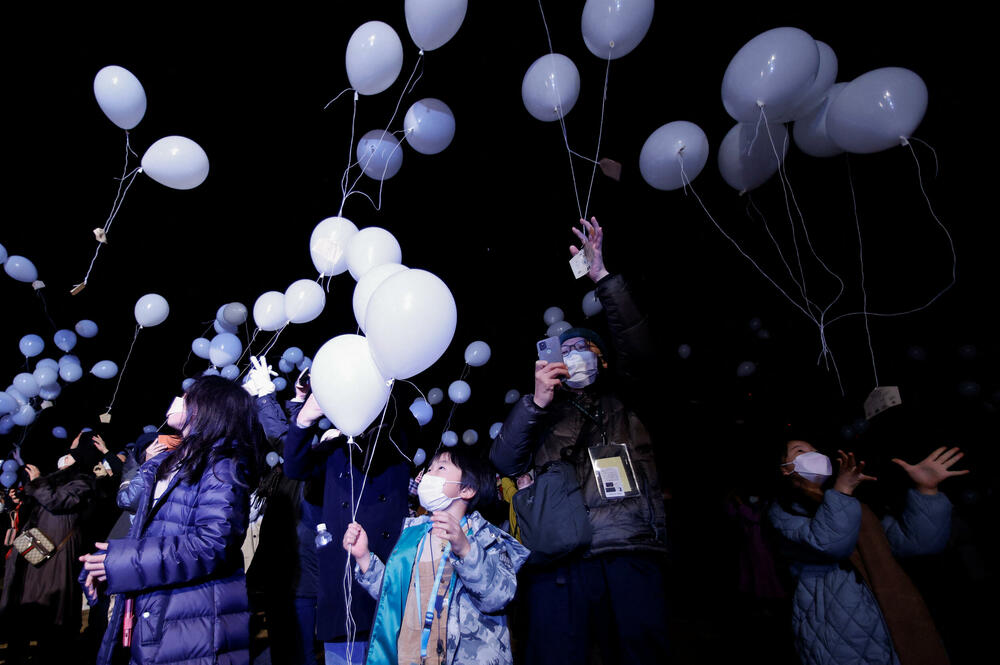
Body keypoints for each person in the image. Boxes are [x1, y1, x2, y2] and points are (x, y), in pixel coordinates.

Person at [490, 217, 668, 665]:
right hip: (559, 557)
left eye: (583, 349)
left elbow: (637, 346)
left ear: (602, 361)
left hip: (626, 547)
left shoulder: (626, 401)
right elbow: (505, 460)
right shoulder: (544, 413)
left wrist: (602, 277)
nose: (574, 357)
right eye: (565, 352)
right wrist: (536, 402)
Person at [82, 376, 263, 665]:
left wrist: (123, 562)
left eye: (188, 397)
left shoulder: (223, 465)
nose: (179, 401)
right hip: (157, 605)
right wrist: (110, 569)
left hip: (192, 615)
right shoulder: (171, 460)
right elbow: (147, 524)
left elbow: (211, 544)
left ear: (208, 407)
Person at [769, 440, 965, 665]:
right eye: (800, 451)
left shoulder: (853, 502)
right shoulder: (783, 511)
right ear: (784, 469)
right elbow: (830, 544)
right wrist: (842, 491)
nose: (813, 454)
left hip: (889, 612)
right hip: (838, 628)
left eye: (815, 450)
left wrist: (926, 491)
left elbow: (916, 544)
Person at [343, 447, 529, 665]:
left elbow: (496, 597)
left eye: (441, 468)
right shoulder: (413, 537)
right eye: (429, 469)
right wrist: (364, 557)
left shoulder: (485, 538)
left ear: (467, 489)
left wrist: (465, 549)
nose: (429, 475)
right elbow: (394, 596)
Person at [283, 391, 413, 664]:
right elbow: (295, 468)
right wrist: (303, 418)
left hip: (386, 574)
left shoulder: (397, 438)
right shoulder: (334, 450)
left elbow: (400, 429)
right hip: (341, 583)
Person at [0, 436, 99, 663]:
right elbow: (38, 503)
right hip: (34, 551)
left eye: (70, 455)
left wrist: (37, 482)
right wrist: (20, 497)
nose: (64, 458)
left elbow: (57, 501)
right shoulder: (55, 480)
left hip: (54, 556)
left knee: (50, 611)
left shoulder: (83, 483)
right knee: (23, 606)